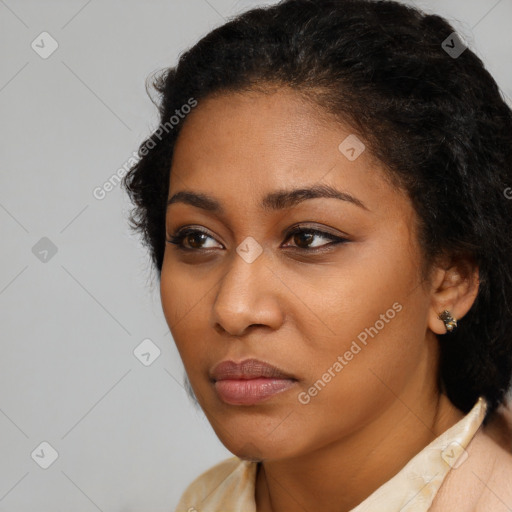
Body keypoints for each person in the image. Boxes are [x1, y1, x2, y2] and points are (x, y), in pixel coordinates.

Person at [122, 0, 512, 510]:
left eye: (308, 238)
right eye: (198, 239)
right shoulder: (206, 501)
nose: (232, 309)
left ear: (451, 280)